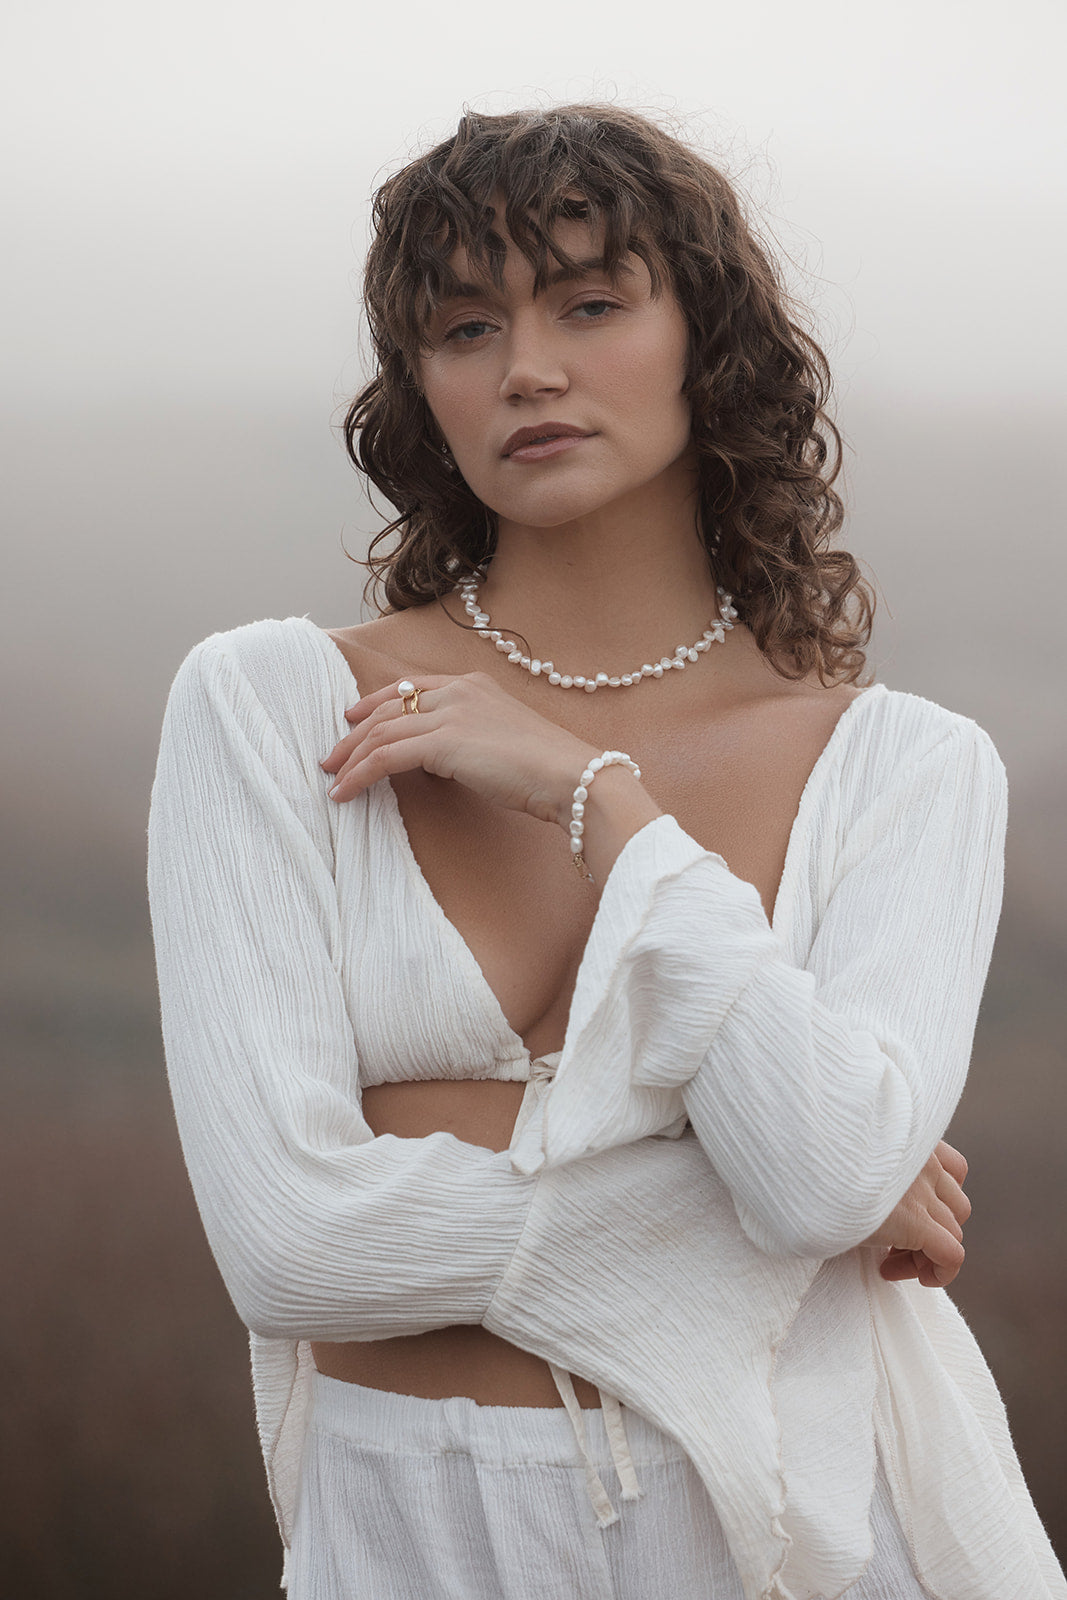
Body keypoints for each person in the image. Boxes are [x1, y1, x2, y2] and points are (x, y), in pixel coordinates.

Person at [146, 104, 1066, 1600]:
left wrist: (599, 801)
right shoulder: (273, 709)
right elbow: (291, 1245)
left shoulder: (912, 770)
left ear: (707, 338)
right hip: (412, 1532)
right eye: (462, 327)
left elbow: (831, 1169)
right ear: (421, 387)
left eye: (589, 301)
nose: (526, 368)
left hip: (806, 1529)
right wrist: (760, 1210)